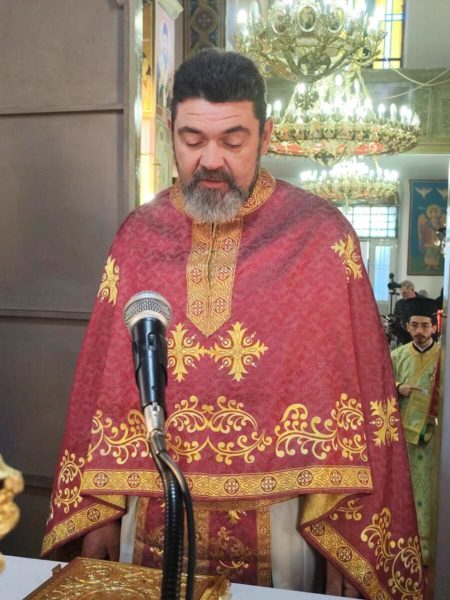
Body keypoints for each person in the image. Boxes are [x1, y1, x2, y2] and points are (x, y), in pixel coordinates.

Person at [42, 50, 425, 599]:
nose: (211, 160)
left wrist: (349, 534)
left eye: (233, 140)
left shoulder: (320, 237)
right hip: (149, 501)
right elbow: (104, 388)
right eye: (193, 139)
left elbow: (363, 397)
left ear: (266, 135)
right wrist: (98, 511)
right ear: (170, 132)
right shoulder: (139, 236)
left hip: (284, 514)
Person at [390, 296, 440, 566]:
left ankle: (431, 551)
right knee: (405, 492)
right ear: (407, 327)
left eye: (425, 326)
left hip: (435, 440)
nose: (419, 331)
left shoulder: (444, 357)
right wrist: (399, 388)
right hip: (404, 440)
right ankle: (404, 547)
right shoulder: (396, 356)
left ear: (434, 327)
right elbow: (380, 387)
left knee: (432, 493)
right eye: (414, 326)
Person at [392, 280, 421, 345]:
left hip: (419, 335)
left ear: (412, 290)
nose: (402, 295)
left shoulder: (423, 302)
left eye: (405, 293)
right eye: (401, 293)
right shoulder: (399, 303)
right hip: (403, 336)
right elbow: (396, 319)